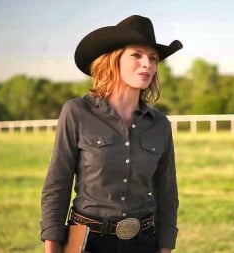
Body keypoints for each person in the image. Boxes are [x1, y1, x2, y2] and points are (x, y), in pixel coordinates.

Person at [40, 15, 183, 253]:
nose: (147, 64)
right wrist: (52, 246)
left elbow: (167, 193)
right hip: (87, 243)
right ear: (113, 60)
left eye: (153, 58)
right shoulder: (76, 112)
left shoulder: (160, 125)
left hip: (143, 243)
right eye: (136, 55)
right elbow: (58, 184)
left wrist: (166, 248)